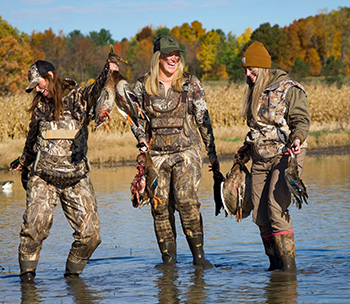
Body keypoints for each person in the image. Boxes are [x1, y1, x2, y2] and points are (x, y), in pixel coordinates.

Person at [12, 58, 119, 283]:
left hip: (76, 178)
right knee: (34, 228)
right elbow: (33, 138)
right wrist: (23, 161)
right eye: (35, 88)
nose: (39, 91)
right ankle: (27, 282)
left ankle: (72, 278)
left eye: (40, 85)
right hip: (43, 178)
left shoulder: (78, 98)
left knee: (91, 235)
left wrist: (106, 72)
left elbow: (96, 89)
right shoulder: (40, 106)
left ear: (51, 76)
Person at [129, 36, 219, 268]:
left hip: (186, 151)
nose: (173, 58)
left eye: (176, 54)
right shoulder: (142, 86)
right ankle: (169, 261)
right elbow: (135, 119)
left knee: (186, 200)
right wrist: (141, 139)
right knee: (160, 206)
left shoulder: (191, 83)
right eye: (168, 55)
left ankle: (199, 259)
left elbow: (203, 119)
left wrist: (212, 154)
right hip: (156, 155)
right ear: (157, 58)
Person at [238, 41, 311, 272]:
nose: (248, 75)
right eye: (246, 70)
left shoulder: (290, 88)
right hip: (260, 158)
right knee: (260, 213)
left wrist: (298, 137)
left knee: (275, 207)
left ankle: (289, 270)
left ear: (264, 68)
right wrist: (246, 148)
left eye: (252, 70)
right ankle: (275, 265)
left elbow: (301, 119)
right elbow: (259, 128)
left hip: (286, 155)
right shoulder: (254, 91)